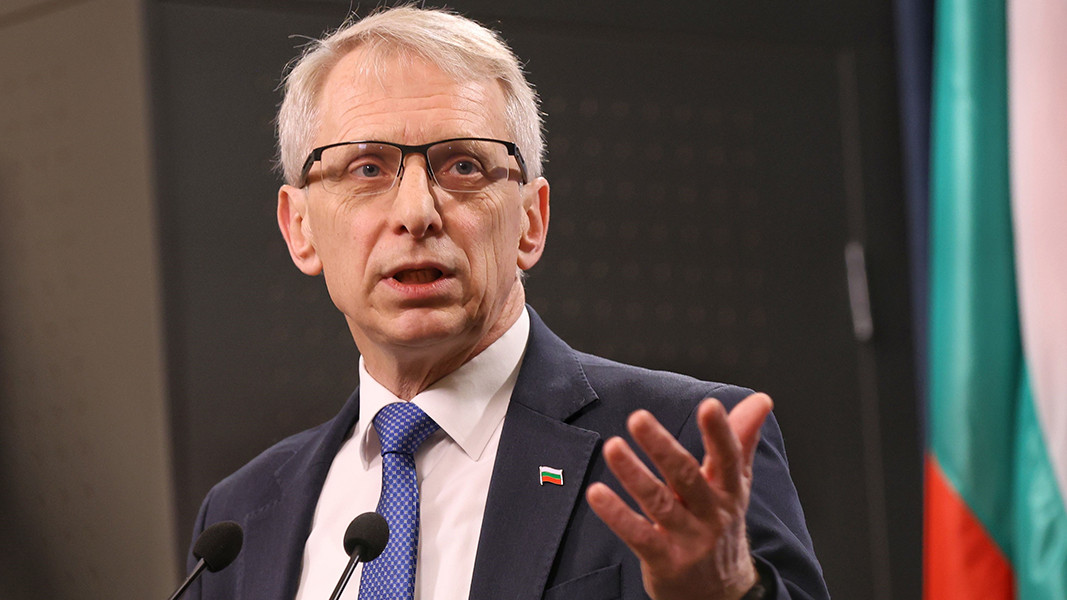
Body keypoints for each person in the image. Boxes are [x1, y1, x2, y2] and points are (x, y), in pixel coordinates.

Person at [187, 6, 829, 600]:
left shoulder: (682, 450)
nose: (417, 212)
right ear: (300, 228)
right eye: (367, 169)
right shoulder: (241, 518)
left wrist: (729, 594)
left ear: (530, 221)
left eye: (463, 166)